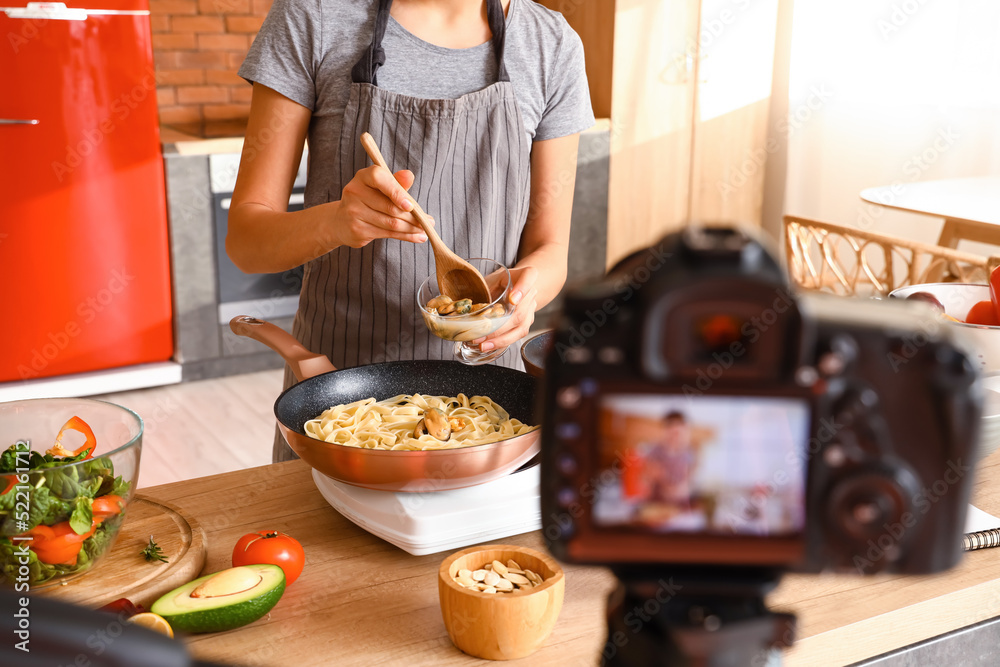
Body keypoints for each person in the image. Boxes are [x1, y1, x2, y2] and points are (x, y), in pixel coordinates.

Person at [226, 0, 595, 461]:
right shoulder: (313, 17)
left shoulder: (550, 43)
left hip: (493, 410)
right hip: (338, 400)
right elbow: (246, 243)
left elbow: (550, 248)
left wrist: (526, 296)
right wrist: (336, 222)